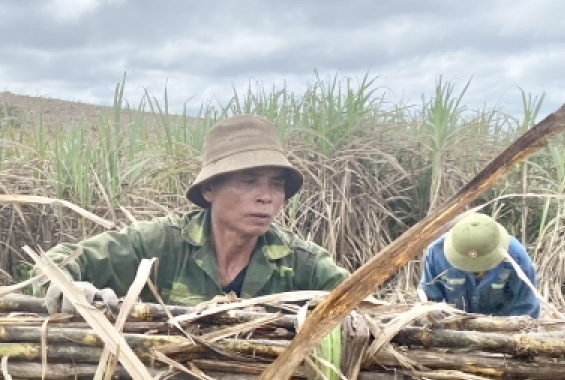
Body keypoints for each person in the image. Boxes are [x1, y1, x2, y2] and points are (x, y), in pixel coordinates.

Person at [40, 114, 349, 312]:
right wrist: (68, 288)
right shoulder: (160, 246)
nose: (266, 197)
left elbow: (364, 305)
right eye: (249, 181)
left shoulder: (301, 263)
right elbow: (58, 261)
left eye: (276, 184)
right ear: (209, 190)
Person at [419, 213, 541, 318]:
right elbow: (428, 303)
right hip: (453, 332)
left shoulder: (517, 257)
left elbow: (526, 309)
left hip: (503, 333)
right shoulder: (436, 253)